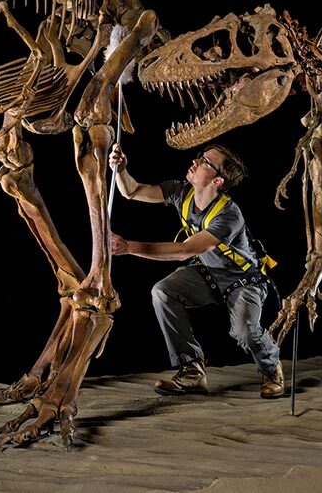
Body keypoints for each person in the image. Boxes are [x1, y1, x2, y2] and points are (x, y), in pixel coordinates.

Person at [108, 142, 284, 399]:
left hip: (242, 280)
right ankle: (192, 370)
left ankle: (271, 368)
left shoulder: (229, 215)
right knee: (163, 292)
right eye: (200, 157)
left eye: (205, 163)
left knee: (245, 332)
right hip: (208, 273)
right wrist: (120, 169)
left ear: (218, 181)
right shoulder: (181, 191)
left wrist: (129, 247)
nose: (196, 161)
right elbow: (132, 191)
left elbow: (185, 251)